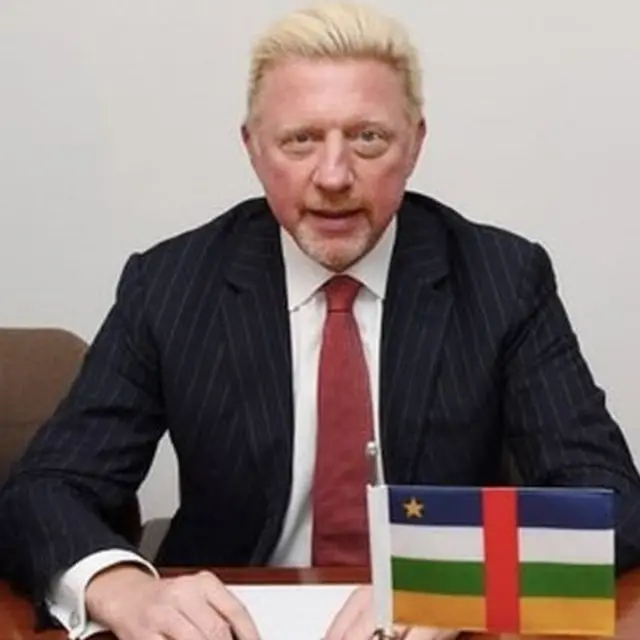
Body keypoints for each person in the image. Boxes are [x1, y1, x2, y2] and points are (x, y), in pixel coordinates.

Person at [1, 2, 640, 639]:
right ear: (253, 148)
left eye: (368, 138)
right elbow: (46, 490)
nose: (333, 176)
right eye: (300, 139)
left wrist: (453, 584)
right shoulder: (169, 284)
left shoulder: (504, 278)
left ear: (415, 144)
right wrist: (125, 591)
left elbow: (613, 502)